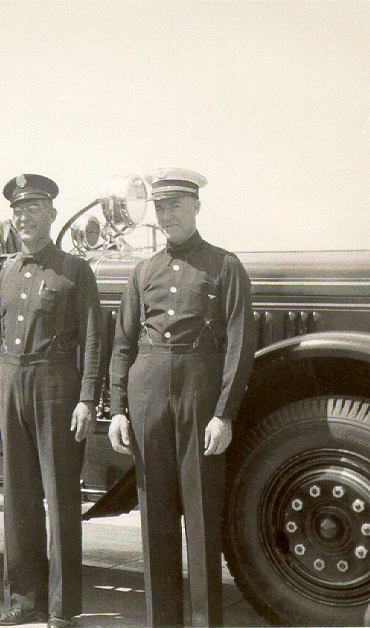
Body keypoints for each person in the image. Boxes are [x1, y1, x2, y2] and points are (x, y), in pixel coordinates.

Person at [107, 168, 256, 627]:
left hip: (199, 395)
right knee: (154, 516)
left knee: (201, 514)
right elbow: (123, 343)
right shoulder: (143, 271)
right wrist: (118, 410)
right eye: (160, 206)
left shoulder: (225, 265)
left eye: (175, 205)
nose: (167, 214)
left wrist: (224, 413)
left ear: (196, 206)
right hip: (148, 397)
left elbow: (240, 343)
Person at [0, 174, 102, 628]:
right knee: (19, 497)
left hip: (55, 386)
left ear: (51, 214)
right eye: (18, 211)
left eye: (34, 209)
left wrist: (87, 398)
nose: (25, 218)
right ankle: (25, 599)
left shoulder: (74, 270)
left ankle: (62, 607)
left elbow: (93, 338)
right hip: (10, 384)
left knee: (60, 498)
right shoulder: (6, 270)